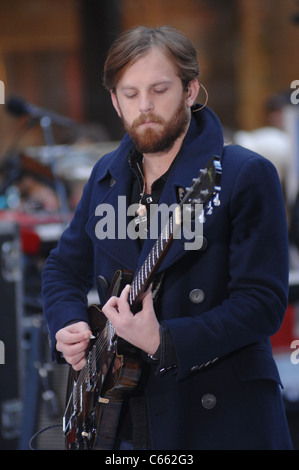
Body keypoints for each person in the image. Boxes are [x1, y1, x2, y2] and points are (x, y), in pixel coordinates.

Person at [42, 25, 293, 450]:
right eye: (131, 93)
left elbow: (263, 303)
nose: (145, 106)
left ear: (190, 90)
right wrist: (68, 322)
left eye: (160, 89)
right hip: (120, 413)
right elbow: (64, 267)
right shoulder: (105, 176)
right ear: (114, 101)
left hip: (219, 414)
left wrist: (166, 340)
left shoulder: (242, 174)